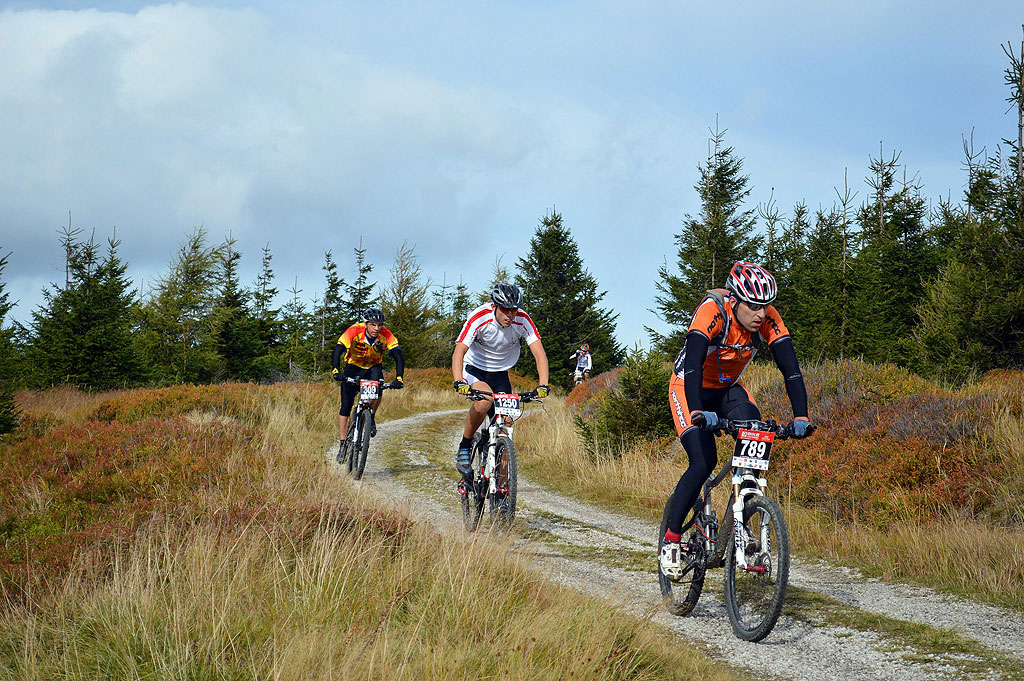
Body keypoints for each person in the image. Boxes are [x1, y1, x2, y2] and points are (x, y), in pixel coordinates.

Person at [659, 261, 814, 580]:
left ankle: (740, 524)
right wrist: (700, 412)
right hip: (688, 386)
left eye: (765, 306)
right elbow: (692, 365)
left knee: (755, 445)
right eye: (754, 306)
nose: (761, 313)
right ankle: (672, 541)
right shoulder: (713, 311)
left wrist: (800, 416)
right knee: (703, 462)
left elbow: (792, 371)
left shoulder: (769, 318)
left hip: (728, 388)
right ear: (735, 300)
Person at [451, 283, 550, 490]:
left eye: (514, 310)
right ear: (495, 305)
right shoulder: (480, 317)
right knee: (485, 400)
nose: (510, 315)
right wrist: (459, 380)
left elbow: (539, 352)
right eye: (505, 309)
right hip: (475, 369)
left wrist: (543, 384)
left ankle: (502, 491)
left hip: (501, 374)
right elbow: (459, 350)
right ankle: (465, 444)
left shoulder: (522, 319)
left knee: (506, 426)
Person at [331, 307, 405, 464]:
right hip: (353, 367)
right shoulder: (354, 331)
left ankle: (370, 416)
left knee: (379, 388)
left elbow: (398, 355)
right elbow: (338, 350)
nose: (376, 328)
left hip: (373, 368)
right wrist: (336, 370)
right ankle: (343, 444)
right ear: (366, 324)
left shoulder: (386, 334)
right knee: (346, 405)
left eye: (379, 325)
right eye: (372, 325)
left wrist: (399, 377)